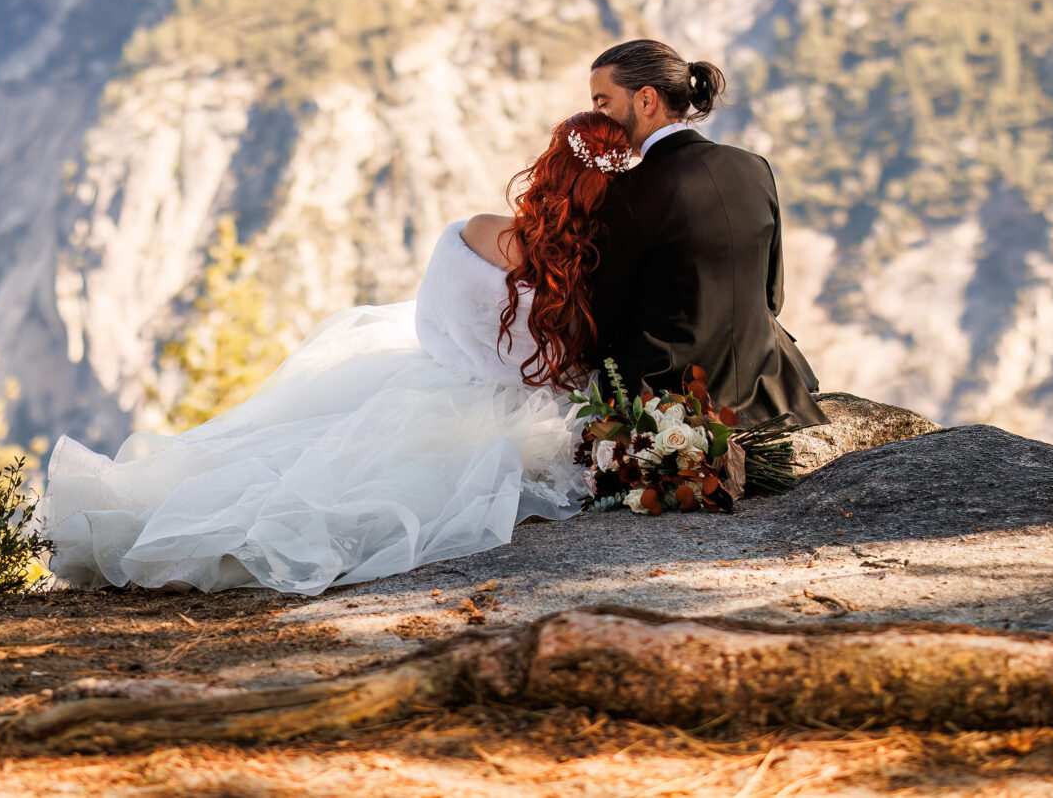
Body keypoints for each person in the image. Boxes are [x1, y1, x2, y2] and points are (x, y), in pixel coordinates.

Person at [38, 112, 630, 596]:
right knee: (365, 494)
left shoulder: (476, 232)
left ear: (548, 166)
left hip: (438, 382)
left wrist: (463, 358)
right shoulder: (596, 272)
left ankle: (152, 524)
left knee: (301, 463)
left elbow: (435, 322)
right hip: (528, 416)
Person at [585, 38, 825, 429]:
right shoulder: (754, 167)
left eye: (602, 102)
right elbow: (772, 297)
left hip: (671, 407)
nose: (595, 117)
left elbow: (604, 325)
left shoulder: (623, 193)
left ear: (646, 100)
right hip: (772, 397)